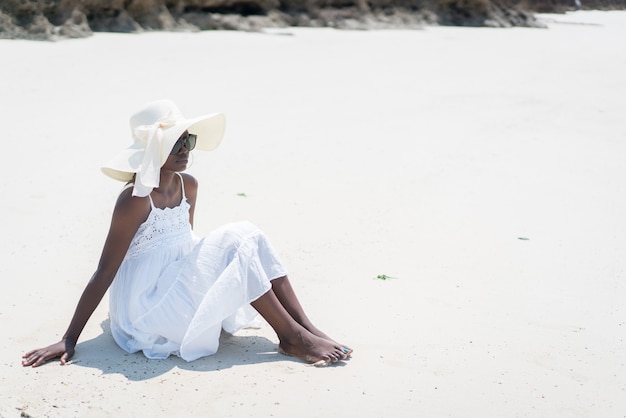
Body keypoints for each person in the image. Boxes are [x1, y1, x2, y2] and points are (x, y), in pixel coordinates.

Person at [22, 99, 351, 368]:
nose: (186, 149)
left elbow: (185, 246)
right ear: (153, 150)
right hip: (145, 310)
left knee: (248, 235)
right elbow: (105, 271)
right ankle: (293, 337)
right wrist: (69, 339)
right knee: (235, 239)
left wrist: (227, 264)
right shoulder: (134, 201)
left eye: (188, 140)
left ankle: (305, 327)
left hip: (175, 286)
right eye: (175, 143)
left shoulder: (187, 185)